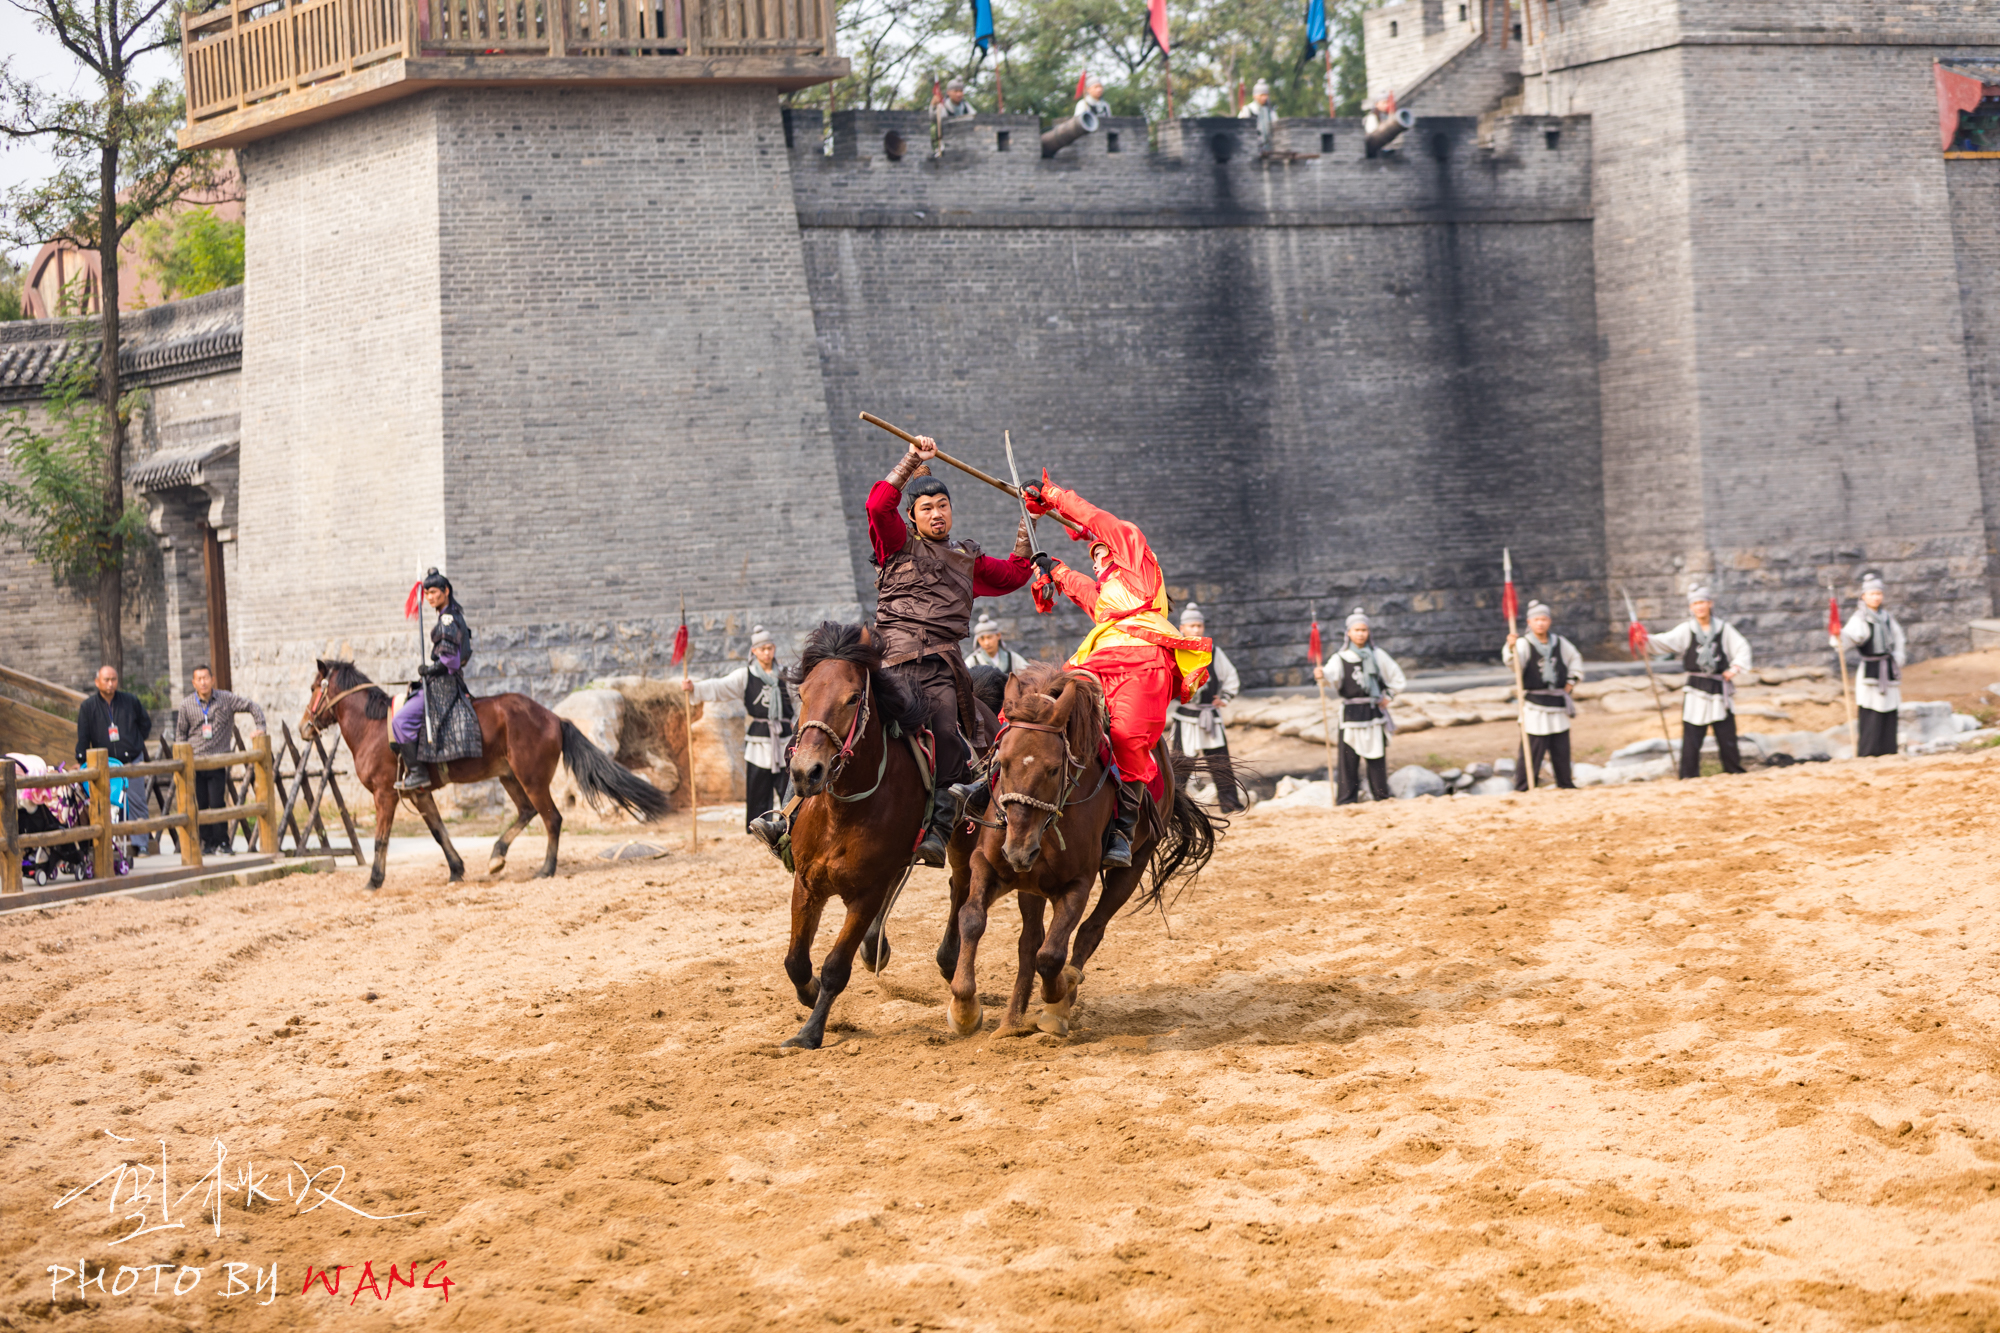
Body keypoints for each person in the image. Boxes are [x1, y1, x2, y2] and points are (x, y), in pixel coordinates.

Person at [1019, 477, 1212, 867]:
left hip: (1144, 661)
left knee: (1126, 737)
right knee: (1038, 704)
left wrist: (1054, 497)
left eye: (1099, 552)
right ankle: (992, 775)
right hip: (1098, 657)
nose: (1097, 560)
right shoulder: (1112, 597)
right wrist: (1055, 570)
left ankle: (1124, 827)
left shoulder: (1131, 545)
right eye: (1093, 558)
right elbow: (1091, 598)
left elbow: (1096, 518)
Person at [869, 435, 1033, 866]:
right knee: (828, 711)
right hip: (887, 662)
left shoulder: (967, 560)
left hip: (940, 669)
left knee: (947, 734)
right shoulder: (895, 544)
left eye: (943, 505)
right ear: (912, 516)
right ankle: (788, 814)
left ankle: (938, 831)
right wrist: (910, 460)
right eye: (927, 507)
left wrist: (1026, 528)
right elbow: (877, 506)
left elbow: (1013, 575)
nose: (937, 513)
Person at [690, 626, 795, 834]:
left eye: (770, 648)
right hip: (758, 740)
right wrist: (695, 688)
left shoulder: (787, 674)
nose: (767, 652)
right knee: (758, 788)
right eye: (762, 648)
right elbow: (720, 687)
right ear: (754, 651)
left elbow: (800, 700)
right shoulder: (745, 676)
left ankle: (790, 827)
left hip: (784, 740)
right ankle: (759, 830)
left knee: (787, 789)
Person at [1647, 584, 1752, 779]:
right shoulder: (1687, 629)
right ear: (1691, 607)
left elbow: (1742, 648)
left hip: (1719, 686)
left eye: (1702, 602)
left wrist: (1734, 669)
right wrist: (1644, 638)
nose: (1699, 606)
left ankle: (1733, 771)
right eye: (1695, 603)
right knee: (1692, 735)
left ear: (1710, 603)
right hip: (1696, 687)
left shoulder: (1723, 628)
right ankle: (1688, 776)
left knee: (1726, 733)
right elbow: (1665, 641)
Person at [165, 664, 268, 853]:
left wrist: (260, 726)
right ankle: (207, 843)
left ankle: (223, 842)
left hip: (217, 761)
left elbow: (251, 706)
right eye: (199, 679)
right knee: (201, 804)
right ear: (193, 682)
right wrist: (180, 762)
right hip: (194, 762)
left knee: (217, 802)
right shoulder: (187, 705)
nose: (203, 682)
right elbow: (180, 734)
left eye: (206, 678)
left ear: (213, 679)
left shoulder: (225, 699)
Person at [390, 568, 472, 791]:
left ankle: (418, 772)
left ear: (446, 591)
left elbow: (452, 662)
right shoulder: (450, 615)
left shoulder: (446, 620)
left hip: (444, 685)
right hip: (446, 681)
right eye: (426, 594)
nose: (430, 598)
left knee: (401, 721)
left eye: (434, 592)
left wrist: (431, 669)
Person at [1314, 608, 1406, 804]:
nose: (1360, 634)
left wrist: (1388, 696)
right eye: (1356, 630)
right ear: (1348, 632)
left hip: (1373, 712)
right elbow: (1330, 675)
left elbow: (1397, 677)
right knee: (1348, 760)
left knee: (1377, 759)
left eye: (1364, 630)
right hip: (1351, 715)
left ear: (1368, 632)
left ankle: (1381, 797)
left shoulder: (1378, 655)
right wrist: (1322, 674)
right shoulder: (1341, 658)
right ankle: (1347, 800)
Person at [1166, 603, 1242, 812]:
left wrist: (1225, 697)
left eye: (1199, 625)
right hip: (1186, 718)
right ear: (1182, 628)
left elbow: (1230, 676)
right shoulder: (1177, 652)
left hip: (1210, 716)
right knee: (1181, 764)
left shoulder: (1214, 652)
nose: (1196, 630)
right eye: (1192, 626)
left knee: (1220, 762)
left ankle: (1229, 803)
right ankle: (1174, 807)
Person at [1503, 601, 1582, 790]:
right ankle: (1523, 786)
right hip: (1534, 704)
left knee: (1561, 748)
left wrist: (1570, 683)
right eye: (1536, 619)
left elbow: (1575, 659)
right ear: (1529, 622)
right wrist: (1511, 648)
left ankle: (1565, 783)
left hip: (1557, 701)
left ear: (1549, 621)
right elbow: (1515, 664)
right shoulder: (1523, 643)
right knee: (1532, 749)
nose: (1540, 623)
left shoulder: (1560, 642)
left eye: (1544, 619)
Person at [75, 663, 151, 856]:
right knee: (104, 803)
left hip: (131, 760)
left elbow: (145, 724)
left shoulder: (130, 701)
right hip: (105, 764)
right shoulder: (88, 706)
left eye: (113, 679)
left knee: (137, 801)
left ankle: (141, 843)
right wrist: (81, 759)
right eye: (106, 680)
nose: (110, 683)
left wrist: (135, 743)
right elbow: (83, 736)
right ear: (97, 682)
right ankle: (106, 845)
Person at [1840, 572, 1906, 757]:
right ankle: (1869, 752)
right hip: (1871, 670)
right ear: (1864, 596)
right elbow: (1849, 637)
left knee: (1889, 710)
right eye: (1872, 594)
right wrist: (1838, 635)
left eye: (1878, 594)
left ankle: (1888, 750)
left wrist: (1898, 656)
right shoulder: (1860, 618)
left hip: (1888, 667)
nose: (1876, 597)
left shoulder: (1886, 617)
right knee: (1871, 710)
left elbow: (1899, 637)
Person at [1239, 78, 1274, 147]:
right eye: (1261, 95)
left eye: (1266, 95)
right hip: (1252, 146)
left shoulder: (1271, 112)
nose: (1264, 98)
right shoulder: (1247, 110)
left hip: (1269, 147)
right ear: (1254, 95)